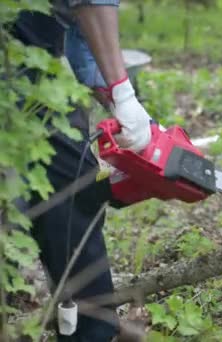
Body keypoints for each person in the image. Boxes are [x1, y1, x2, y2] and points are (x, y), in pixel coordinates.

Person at [11, 1, 151, 340]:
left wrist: (110, 93)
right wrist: (122, 88)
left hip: (39, 57)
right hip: (13, 50)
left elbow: (75, 22)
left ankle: (92, 330)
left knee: (76, 186)